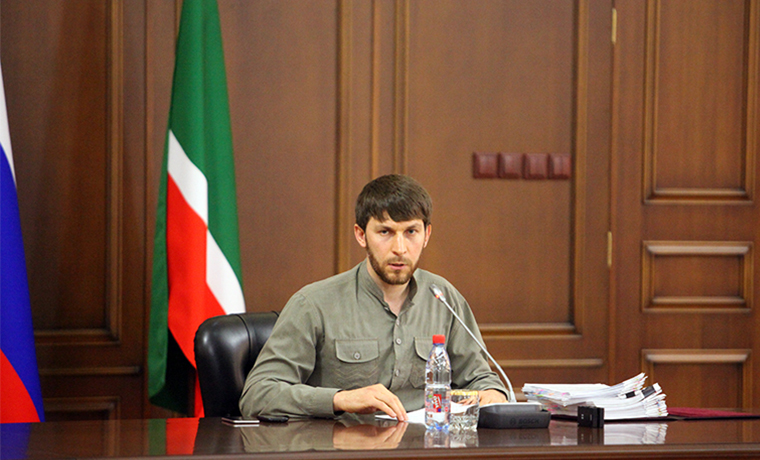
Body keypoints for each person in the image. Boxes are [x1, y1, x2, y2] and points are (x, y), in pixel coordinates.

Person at [239, 174, 507, 420]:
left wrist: (493, 395)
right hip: (345, 447)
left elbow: (482, 380)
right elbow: (258, 394)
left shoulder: (443, 298)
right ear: (361, 235)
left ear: (426, 235)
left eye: (411, 232)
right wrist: (339, 399)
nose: (400, 248)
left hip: (425, 445)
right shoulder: (313, 304)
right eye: (385, 232)